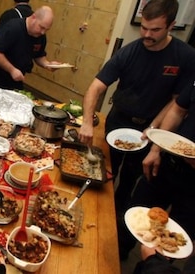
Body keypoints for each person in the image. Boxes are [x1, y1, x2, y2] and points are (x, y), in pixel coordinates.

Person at [77, 0, 195, 218]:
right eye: (144, 27)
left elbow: (178, 102)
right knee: (103, 170)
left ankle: (117, 216)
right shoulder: (129, 52)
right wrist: (86, 121)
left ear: (171, 25)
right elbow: (95, 88)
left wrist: (154, 127)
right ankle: (96, 213)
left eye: (155, 29)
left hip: (151, 129)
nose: (147, 34)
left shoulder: (185, 56)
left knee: (131, 178)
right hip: (119, 119)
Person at [118, 78, 195, 260]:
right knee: (134, 214)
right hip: (168, 164)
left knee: (173, 241)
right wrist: (156, 148)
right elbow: (177, 110)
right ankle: (117, 256)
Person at [0, 5, 60, 99]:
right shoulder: (14, 27)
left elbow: (38, 55)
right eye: (41, 27)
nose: (43, 32)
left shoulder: (40, 36)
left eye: (46, 29)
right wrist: (12, 70)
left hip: (15, 81)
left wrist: (48, 64)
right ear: (33, 17)